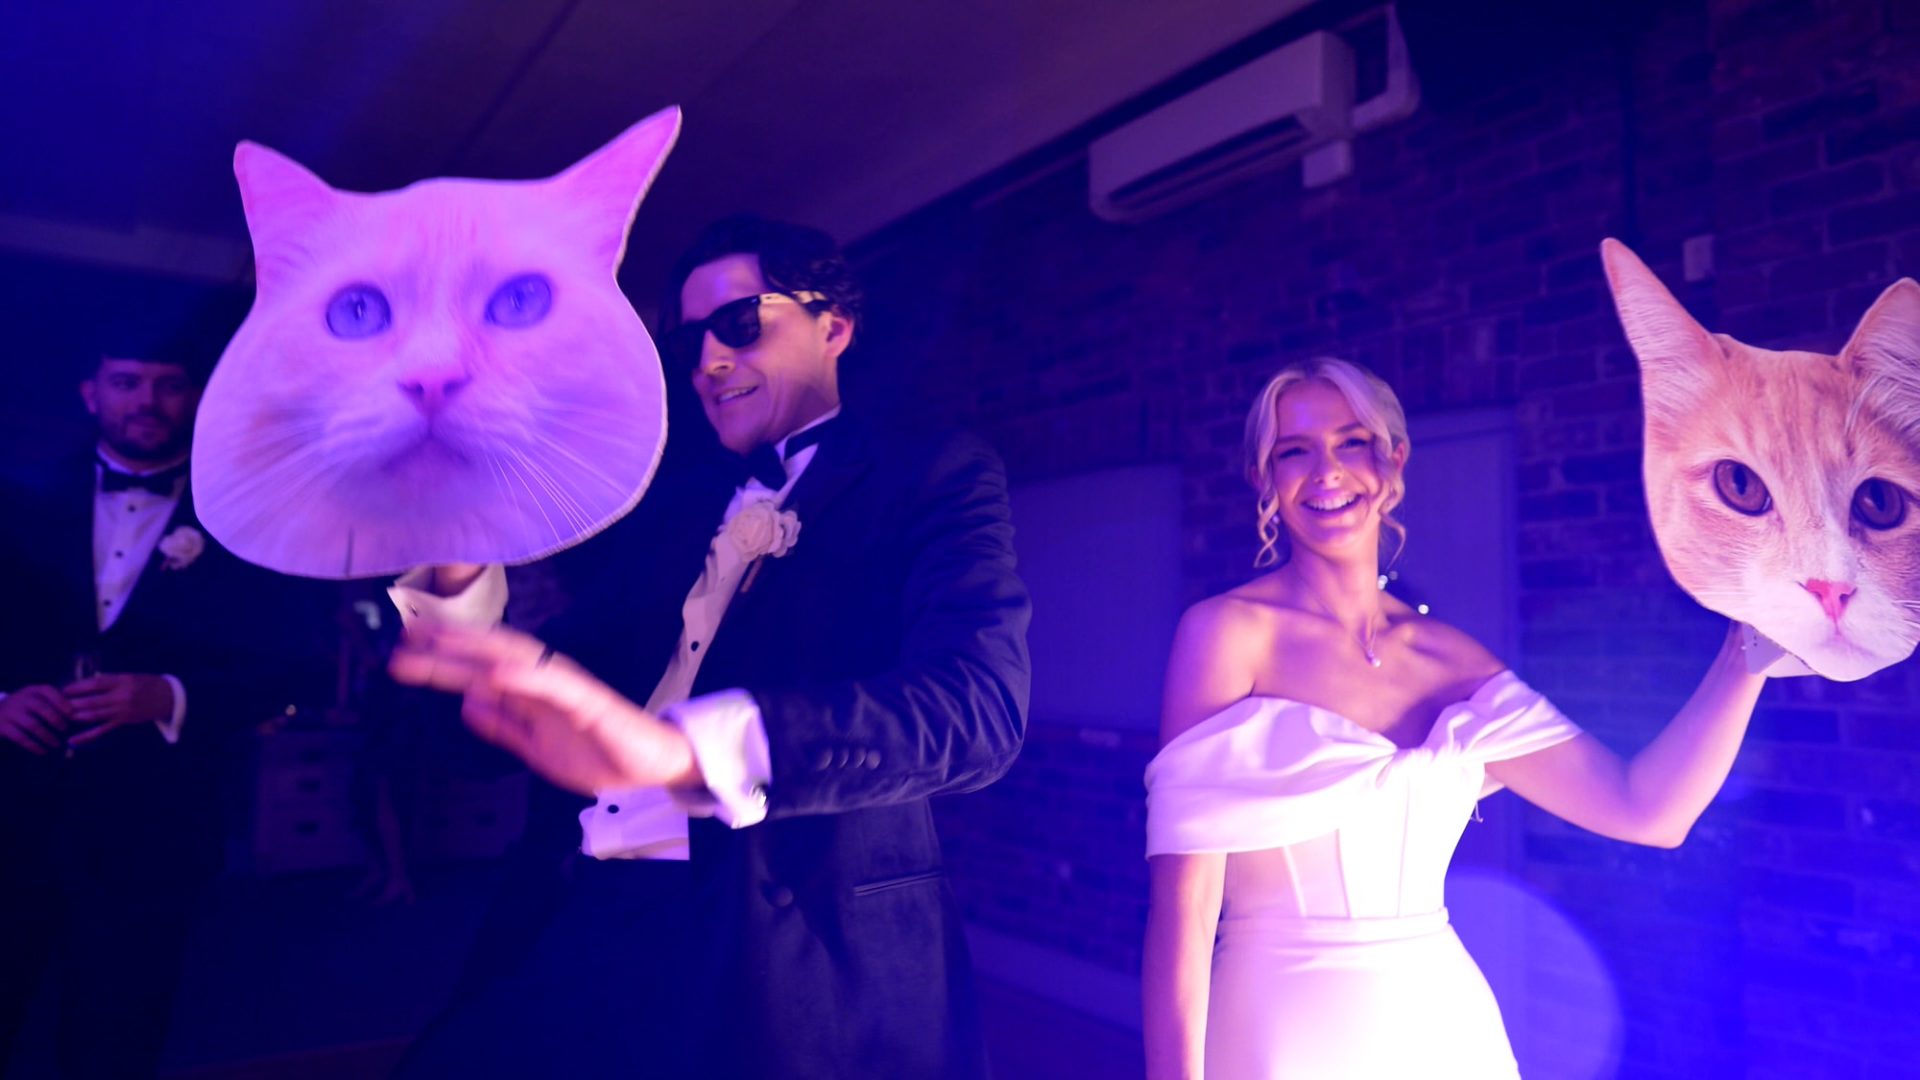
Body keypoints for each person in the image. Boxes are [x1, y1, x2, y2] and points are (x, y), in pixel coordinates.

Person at [390, 214, 1032, 1078]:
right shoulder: (667, 510)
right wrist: (459, 572)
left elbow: (976, 714)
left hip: (790, 959)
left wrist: (684, 753)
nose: (708, 364)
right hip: (579, 928)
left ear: (834, 325)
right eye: (689, 343)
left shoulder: (935, 475)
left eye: (739, 325)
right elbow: (503, 723)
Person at [1140, 357, 1769, 1079]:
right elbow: (1182, 915)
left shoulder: (1454, 659)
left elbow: (1648, 812)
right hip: (1274, 1030)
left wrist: (1746, 654)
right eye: (1294, 451)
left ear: (1394, 461)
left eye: (1352, 443)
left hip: (1442, 1025)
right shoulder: (1224, 635)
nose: (1327, 472)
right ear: (1263, 477)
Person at [0, 335, 323, 1078]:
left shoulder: (246, 521)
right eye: (126, 381)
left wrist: (169, 696)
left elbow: (293, 667)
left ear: (196, 398)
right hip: (11, 819)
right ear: (93, 393)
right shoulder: (19, 501)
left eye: (167, 385)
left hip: (153, 836)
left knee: (116, 1039)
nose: (145, 401)